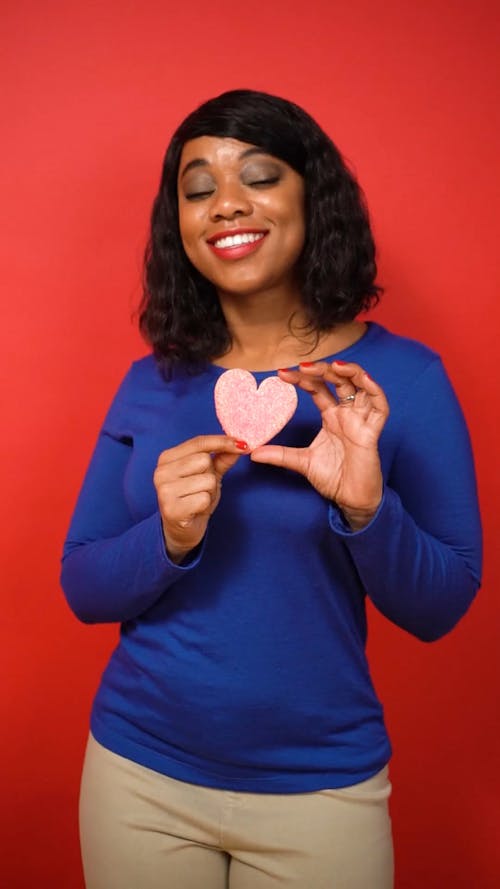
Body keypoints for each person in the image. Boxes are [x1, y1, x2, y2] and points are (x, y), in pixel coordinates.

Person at [61, 89, 482, 889]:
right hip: (137, 775)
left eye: (258, 176)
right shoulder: (149, 382)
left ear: (310, 196)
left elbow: (443, 605)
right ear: (178, 224)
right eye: (197, 189)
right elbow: (82, 583)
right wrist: (170, 539)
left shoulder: (402, 381)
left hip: (321, 788)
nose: (225, 204)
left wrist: (366, 510)